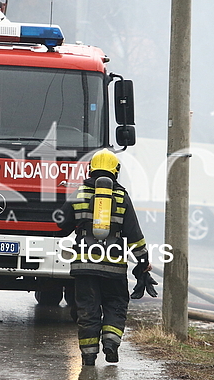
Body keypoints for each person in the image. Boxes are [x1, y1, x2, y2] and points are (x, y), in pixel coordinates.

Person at [54, 148, 157, 366]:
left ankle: (89, 357)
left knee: (87, 310)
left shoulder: (79, 193)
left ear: (90, 169)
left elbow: (61, 226)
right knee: (116, 304)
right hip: (114, 267)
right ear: (116, 171)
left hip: (84, 267)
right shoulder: (122, 197)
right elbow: (134, 236)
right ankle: (111, 344)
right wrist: (143, 262)